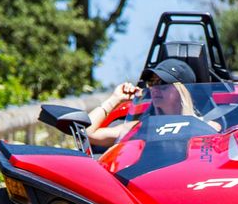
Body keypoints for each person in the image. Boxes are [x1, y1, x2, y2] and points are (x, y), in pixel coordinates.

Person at [85, 58, 219, 148]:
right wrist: (114, 99)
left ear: (182, 90)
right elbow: (86, 133)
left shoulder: (209, 128)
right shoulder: (136, 128)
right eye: (152, 83)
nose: (155, 88)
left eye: (162, 83)